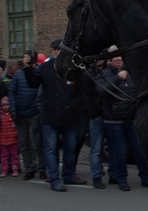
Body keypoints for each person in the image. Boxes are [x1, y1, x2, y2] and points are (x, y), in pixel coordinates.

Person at [23, 39, 87, 192]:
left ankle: (68, 174)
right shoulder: (44, 68)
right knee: (51, 149)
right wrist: (27, 67)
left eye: (60, 49)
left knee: (70, 149)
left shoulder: (72, 68)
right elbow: (32, 83)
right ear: (52, 51)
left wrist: (76, 108)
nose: (57, 52)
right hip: (51, 116)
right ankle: (53, 178)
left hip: (69, 116)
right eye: (55, 49)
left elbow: (79, 90)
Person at [97, 47, 148, 191]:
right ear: (110, 60)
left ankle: (145, 177)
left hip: (130, 119)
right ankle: (122, 179)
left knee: (138, 150)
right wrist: (118, 78)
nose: (118, 59)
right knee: (120, 151)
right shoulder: (104, 74)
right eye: (115, 57)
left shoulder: (130, 72)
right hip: (113, 120)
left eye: (120, 57)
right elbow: (101, 91)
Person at [9, 50, 45, 181]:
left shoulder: (38, 73)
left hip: (34, 112)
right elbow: (12, 93)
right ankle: (29, 168)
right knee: (24, 143)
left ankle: (41, 168)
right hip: (21, 113)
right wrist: (13, 109)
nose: (24, 59)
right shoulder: (18, 75)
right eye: (24, 56)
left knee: (37, 143)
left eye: (27, 56)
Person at [81, 59, 109, 189]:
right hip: (97, 115)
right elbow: (86, 96)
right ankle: (96, 175)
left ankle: (113, 173)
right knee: (96, 148)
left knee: (113, 148)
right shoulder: (88, 74)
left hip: (109, 114)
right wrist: (93, 113)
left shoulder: (107, 72)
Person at [0, 96, 19, 177]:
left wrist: (16, 133)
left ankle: (15, 168)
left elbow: (16, 126)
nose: (5, 107)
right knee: (4, 156)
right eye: (4, 105)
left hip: (13, 139)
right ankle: (4, 169)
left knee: (14, 155)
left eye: (7, 105)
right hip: (2, 139)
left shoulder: (12, 115)